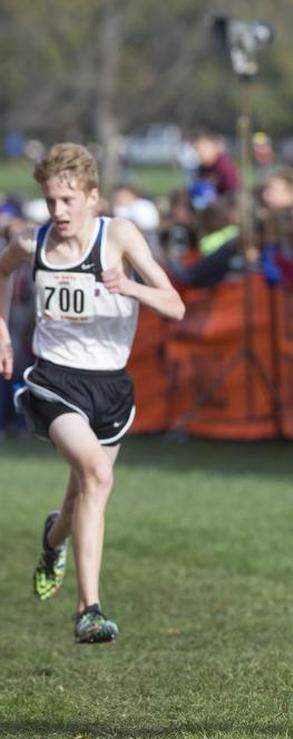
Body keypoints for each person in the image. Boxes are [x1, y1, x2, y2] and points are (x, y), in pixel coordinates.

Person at [0, 143, 186, 643]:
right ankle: (90, 610)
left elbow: (175, 305)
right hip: (54, 381)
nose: (58, 211)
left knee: (81, 495)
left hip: (111, 386)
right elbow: (1, 270)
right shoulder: (31, 241)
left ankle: (52, 539)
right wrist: (2, 331)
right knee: (98, 476)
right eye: (51, 201)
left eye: (68, 200)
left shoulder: (119, 236)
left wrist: (130, 287)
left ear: (93, 197)